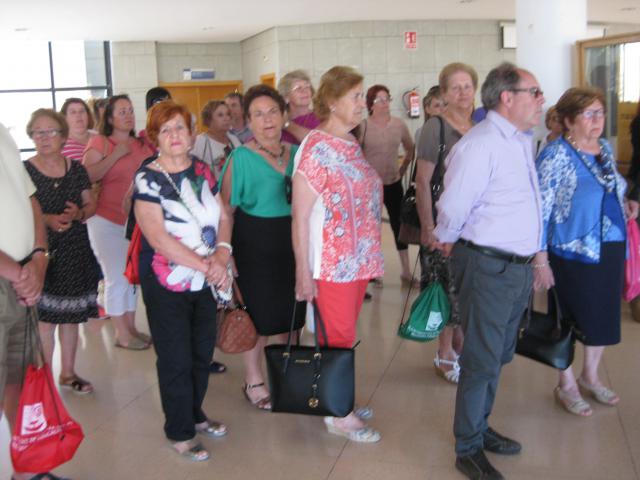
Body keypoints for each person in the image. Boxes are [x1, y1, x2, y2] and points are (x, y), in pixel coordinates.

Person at [430, 62, 545, 479]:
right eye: (534, 92)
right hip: (487, 266)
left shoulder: (519, 141)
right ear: (507, 97)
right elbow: (453, 205)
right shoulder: (480, 145)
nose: (541, 100)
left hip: (514, 267)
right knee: (481, 358)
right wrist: (447, 237)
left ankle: (480, 426)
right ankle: (468, 447)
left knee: (497, 355)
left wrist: (537, 256)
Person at [133, 101, 232, 461]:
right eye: (165, 129)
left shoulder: (202, 169)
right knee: (175, 357)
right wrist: (209, 266)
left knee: (201, 352)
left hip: (204, 279)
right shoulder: (147, 178)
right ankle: (179, 430)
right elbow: (158, 238)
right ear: (154, 138)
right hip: (166, 282)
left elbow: (224, 215)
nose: (174, 135)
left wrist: (222, 254)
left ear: (191, 134)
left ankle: (194, 413)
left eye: (179, 127)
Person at [292, 65, 383, 443]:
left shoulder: (348, 142)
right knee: (337, 336)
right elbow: (300, 216)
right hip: (332, 262)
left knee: (342, 336)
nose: (363, 103)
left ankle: (338, 395)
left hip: (356, 260)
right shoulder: (316, 147)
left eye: (363, 95)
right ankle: (337, 414)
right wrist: (303, 272)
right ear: (331, 101)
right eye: (356, 96)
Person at [534, 87, 638, 416]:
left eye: (600, 113)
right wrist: (540, 258)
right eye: (588, 114)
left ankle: (590, 376)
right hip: (571, 250)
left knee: (602, 315)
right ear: (568, 120)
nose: (597, 120)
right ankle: (566, 384)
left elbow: (609, 187)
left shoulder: (604, 148)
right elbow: (540, 210)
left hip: (609, 246)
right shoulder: (555, 154)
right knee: (567, 317)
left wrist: (626, 202)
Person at [219, 84, 305, 410]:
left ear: (283, 115)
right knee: (257, 317)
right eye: (258, 114)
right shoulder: (240, 157)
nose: (267, 120)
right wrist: (226, 253)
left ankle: (286, 375)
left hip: (293, 241)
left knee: (291, 315)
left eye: (272, 112)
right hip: (254, 243)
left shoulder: (297, 154)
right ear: (248, 121)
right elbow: (225, 209)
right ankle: (253, 380)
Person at [0, 121, 67, 480]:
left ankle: (26, 472)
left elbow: (31, 201)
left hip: (22, 278)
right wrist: (17, 272)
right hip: (11, 277)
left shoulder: (2, 131)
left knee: (18, 381)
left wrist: (40, 257)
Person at [24, 109, 100, 394]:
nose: (44, 138)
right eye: (38, 132)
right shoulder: (24, 171)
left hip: (74, 249)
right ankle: (43, 379)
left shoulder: (76, 169)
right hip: (40, 252)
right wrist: (46, 219)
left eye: (50, 132)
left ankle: (68, 374)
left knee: (71, 316)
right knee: (45, 321)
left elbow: (90, 205)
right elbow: (17, 212)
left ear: (63, 136)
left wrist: (79, 213)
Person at [415, 63, 477, 384]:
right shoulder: (435, 128)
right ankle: (444, 353)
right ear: (444, 93)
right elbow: (422, 181)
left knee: (467, 289)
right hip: (444, 224)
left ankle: (461, 347)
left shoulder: (480, 127)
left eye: (467, 86)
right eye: (455, 87)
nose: (463, 93)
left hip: (475, 226)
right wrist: (428, 227)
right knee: (445, 288)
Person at [83, 94, 154, 350]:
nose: (128, 115)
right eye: (121, 111)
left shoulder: (140, 143)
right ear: (110, 118)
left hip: (135, 222)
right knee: (116, 277)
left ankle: (131, 328)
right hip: (106, 220)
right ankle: (121, 333)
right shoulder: (100, 142)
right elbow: (88, 175)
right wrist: (115, 155)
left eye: (130, 110)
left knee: (132, 277)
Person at [359, 84, 415, 284]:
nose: (384, 103)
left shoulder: (399, 125)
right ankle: (371, 271)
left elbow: (410, 149)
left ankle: (406, 271)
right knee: (370, 228)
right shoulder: (363, 126)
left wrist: (402, 169)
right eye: (379, 100)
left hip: (393, 182)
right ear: (370, 104)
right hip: (370, 187)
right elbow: (354, 153)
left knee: (399, 226)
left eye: (386, 99)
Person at [192, 100, 241, 179]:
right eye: (220, 115)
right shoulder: (200, 142)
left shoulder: (234, 139)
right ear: (209, 119)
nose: (226, 118)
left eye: (228, 114)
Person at [278, 69, 321, 145]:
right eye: (298, 88)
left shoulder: (321, 117)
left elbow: (320, 143)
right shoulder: (278, 119)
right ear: (286, 97)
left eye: (307, 87)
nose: (305, 91)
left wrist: (288, 125)